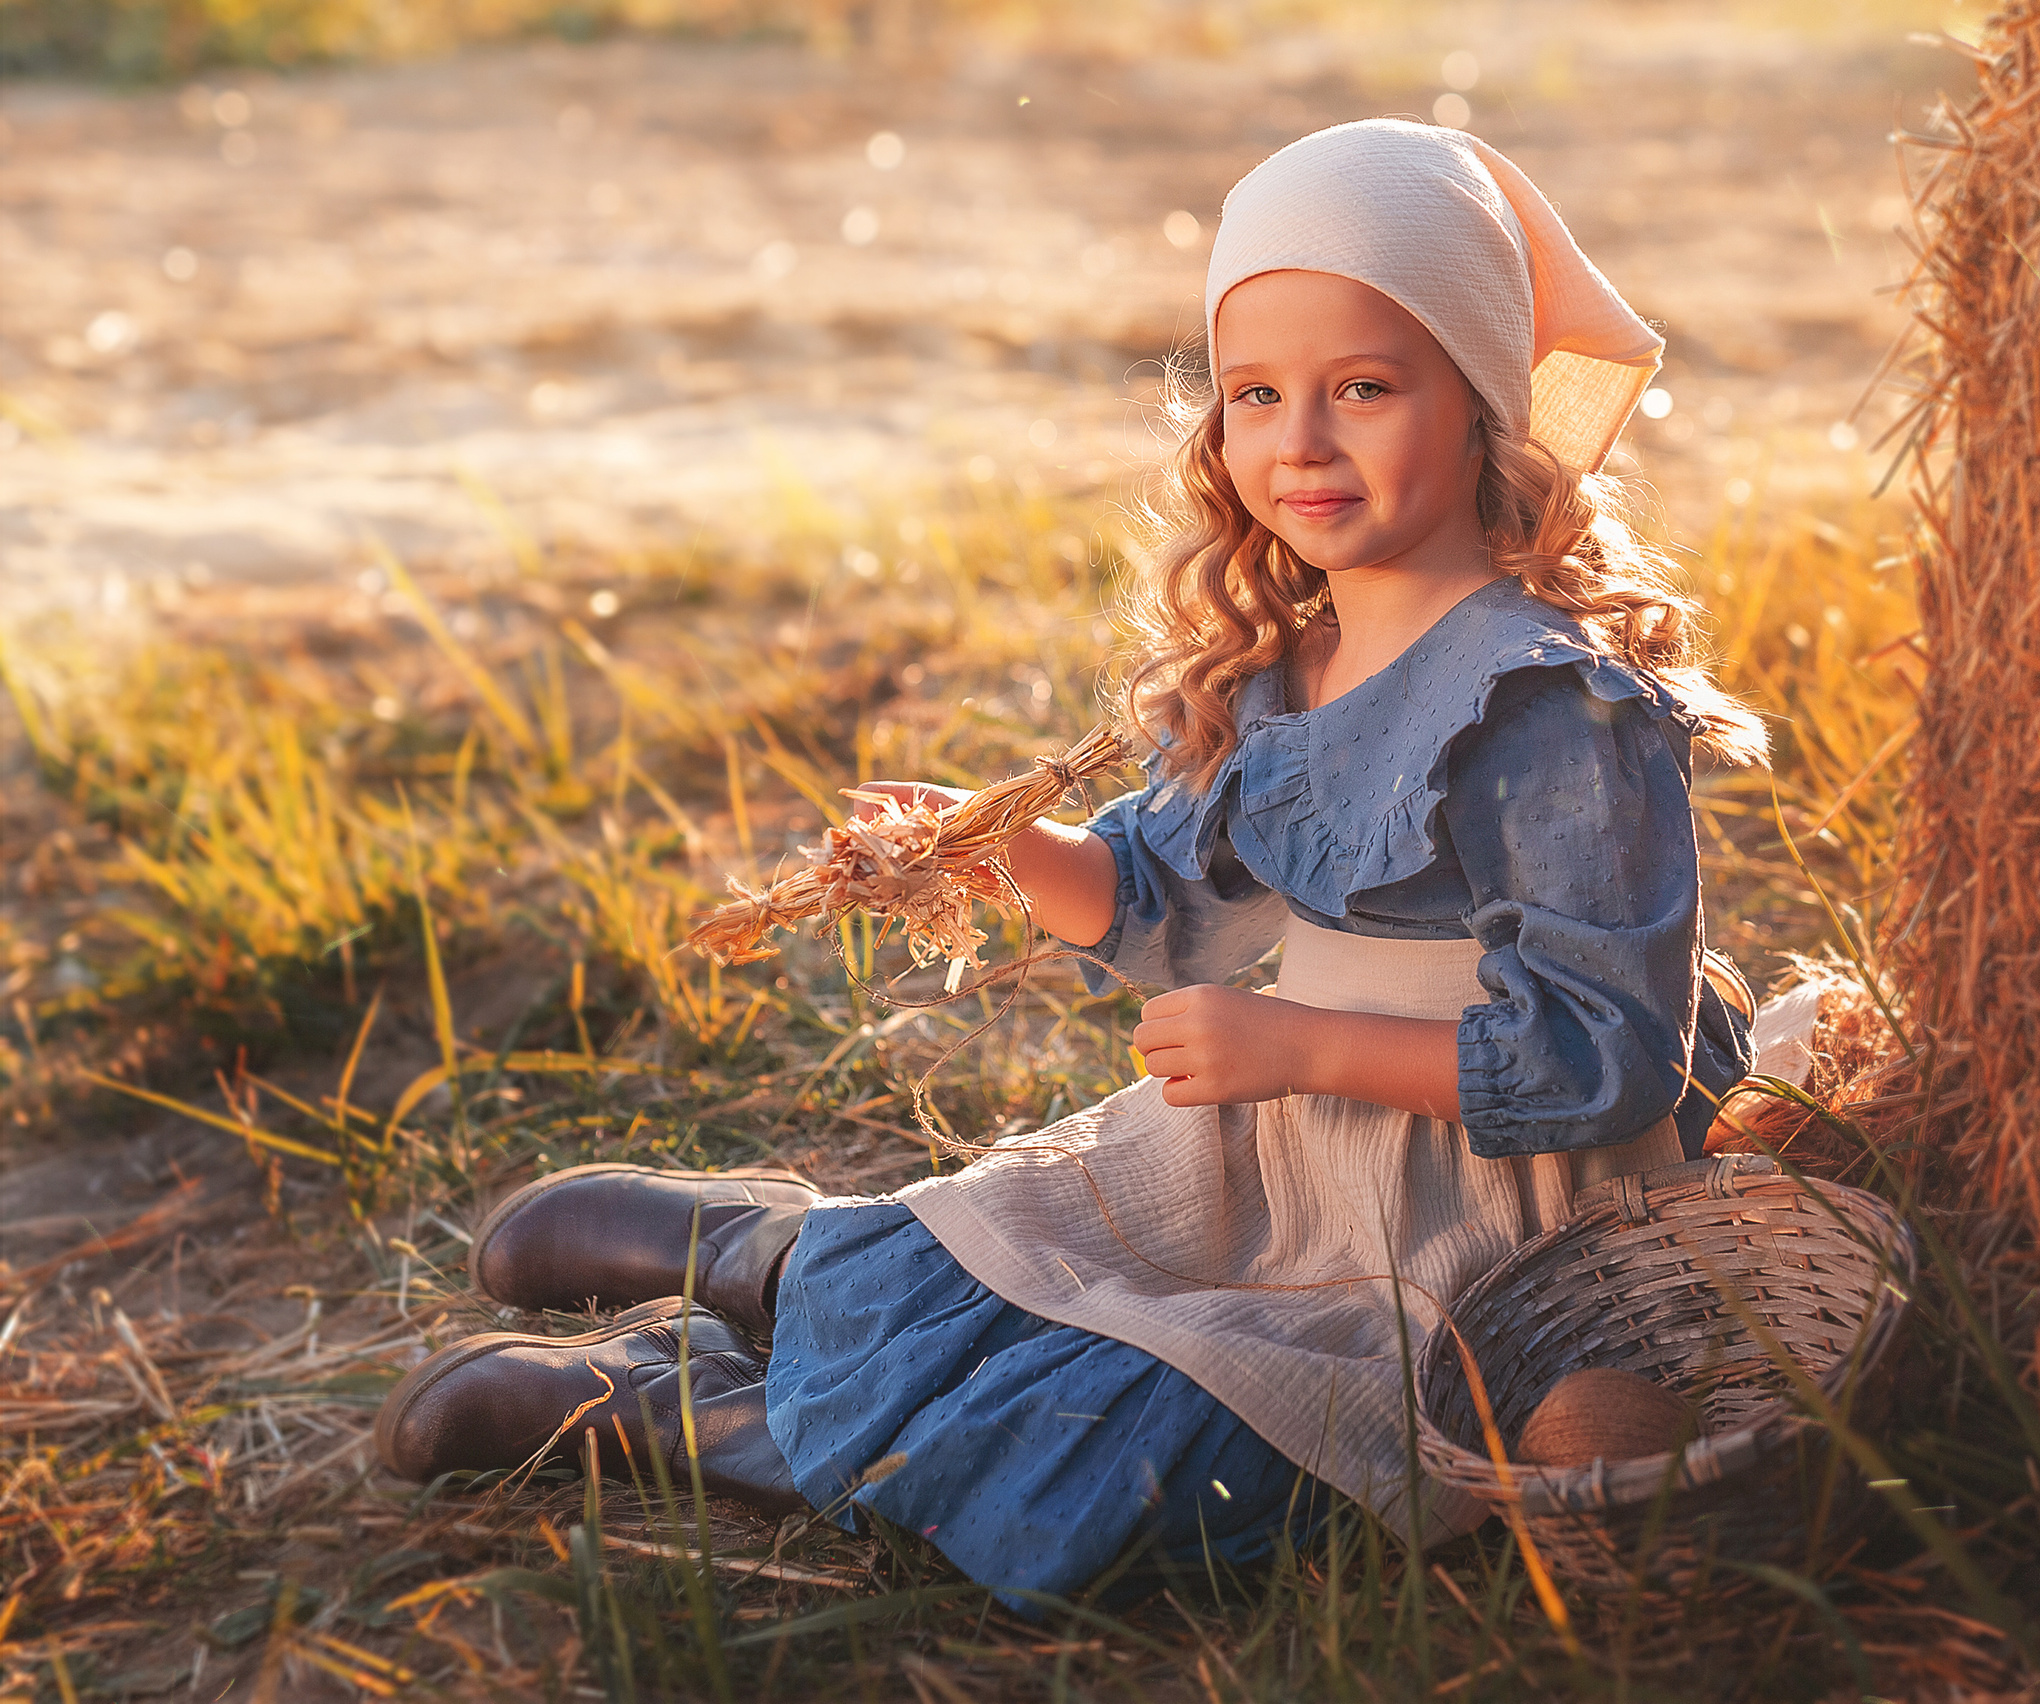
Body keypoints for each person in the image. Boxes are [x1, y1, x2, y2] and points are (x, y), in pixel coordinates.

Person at [373, 118, 1770, 1612]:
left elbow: (1608, 1055)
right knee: (999, 1261)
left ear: (1484, 402)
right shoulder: (1294, 661)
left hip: (1490, 1217)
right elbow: (1171, 910)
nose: (1300, 440)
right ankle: (769, 1257)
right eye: (1257, 394)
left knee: (1141, 1465)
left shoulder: (1556, 705)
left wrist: (1300, 1040)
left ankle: (680, 1414)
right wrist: (1001, 850)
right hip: (1294, 1156)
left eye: (1364, 386)